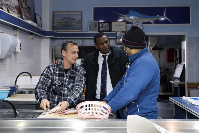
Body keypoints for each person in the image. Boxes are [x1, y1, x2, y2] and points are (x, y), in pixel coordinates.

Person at [103, 26, 160, 119]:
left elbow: (129, 93)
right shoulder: (136, 61)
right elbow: (122, 84)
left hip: (141, 119)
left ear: (128, 48)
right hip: (132, 117)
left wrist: (106, 109)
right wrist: (106, 101)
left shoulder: (144, 63)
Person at [35, 40, 86, 112]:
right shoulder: (51, 69)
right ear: (63, 53)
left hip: (70, 114)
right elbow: (40, 88)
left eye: (77, 52)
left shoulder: (80, 71)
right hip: (52, 113)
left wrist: (67, 103)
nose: (76, 56)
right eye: (73, 53)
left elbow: (78, 90)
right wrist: (43, 99)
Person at [83, 32, 129, 101]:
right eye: (101, 44)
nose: (105, 45)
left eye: (106, 42)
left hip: (115, 100)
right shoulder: (89, 60)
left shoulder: (121, 56)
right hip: (96, 101)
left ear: (109, 41)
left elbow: (126, 78)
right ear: (96, 46)